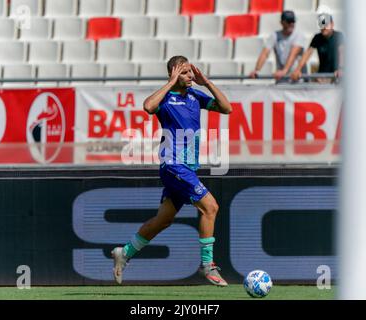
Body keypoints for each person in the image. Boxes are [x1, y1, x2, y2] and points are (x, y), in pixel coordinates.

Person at [111, 56, 233, 286]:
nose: (190, 76)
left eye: (190, 72)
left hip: (188, 168)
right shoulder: (166, 98)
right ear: (174, 74)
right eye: (185, 73)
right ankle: (208, 265)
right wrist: (170, 82)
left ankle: (124, 253)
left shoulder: (195, 95)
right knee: (211, 207)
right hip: (173, 165)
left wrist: (206, 82)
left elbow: (227, 108)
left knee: (163, 220)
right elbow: (148, 106)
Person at [249, 10, 306, 82]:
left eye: (293, 21)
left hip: (297, 80)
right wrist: (256, 70)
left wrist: (284, 71)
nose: (291, 24)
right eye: (289, 21)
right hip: (282, 79)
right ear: (282, 22)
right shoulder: (275, 35)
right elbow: (265, 53)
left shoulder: (299, 35)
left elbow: (293, 54)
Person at [291, 12, 344, 83]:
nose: (324, 27)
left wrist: (341, 69)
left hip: (337, 76)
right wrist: (298, 69)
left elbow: (342, 52)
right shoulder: (317, 38)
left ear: (332, 24)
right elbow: (307, 53)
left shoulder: (338, 36)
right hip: (322, 77)